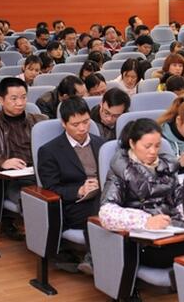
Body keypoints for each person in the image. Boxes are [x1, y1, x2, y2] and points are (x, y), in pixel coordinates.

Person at [98, 118, 184, 269]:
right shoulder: (120, 171)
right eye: (147, 146)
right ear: (132, 144)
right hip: (143, 242)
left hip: (173, 232)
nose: (153, 151)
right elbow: (106, 212)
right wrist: (146, 221)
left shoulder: (166, 167)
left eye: (157, 146)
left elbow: (180, 199)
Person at [0, 77, 48, 239]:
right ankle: (44, 242)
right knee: (34, 198)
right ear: (1, 100)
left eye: (23, 97)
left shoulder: (39, 121)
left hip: (41, 174)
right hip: (13, 179)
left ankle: (56, 237)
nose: (20, 103)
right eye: (14, 98)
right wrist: (2, 162)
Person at [37, 97, 105, 274]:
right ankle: (96, 258)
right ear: (64, 123)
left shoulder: (101, 144)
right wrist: (79, 190)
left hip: (104, 195)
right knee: (101, 208)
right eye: (76, 124)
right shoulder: (49, 151)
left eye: (86, 122)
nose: (82, 128)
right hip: (74, 205)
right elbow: (50, 187)